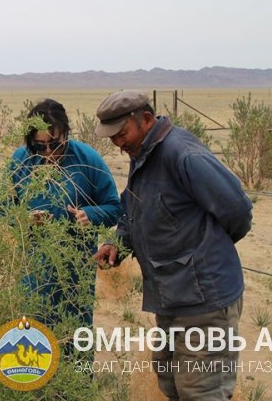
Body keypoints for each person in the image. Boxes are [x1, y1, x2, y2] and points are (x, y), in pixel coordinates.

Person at [92, 90, 253, 401]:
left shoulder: (183, 155)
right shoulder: (143, 153)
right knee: (173, 385)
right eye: (112, 138)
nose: (118, 144)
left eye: (122, 134)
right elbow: (133, 206)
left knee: (202, 391)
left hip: (205, 301)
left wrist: (207, 250)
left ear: (147, 120)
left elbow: (238, 210)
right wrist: (119, 242)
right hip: (172, 296)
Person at [7, 98, 122, 330]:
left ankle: (79, 368)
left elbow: (114, 207)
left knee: (75, 333)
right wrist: (23, 218)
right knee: (34, 336)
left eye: (55, 145)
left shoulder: (87, 160)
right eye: (39, 146)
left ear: (66, 135)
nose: (48, 153)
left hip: (76, 270)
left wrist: (91, 214)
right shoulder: (20, 162)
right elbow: (4, 207)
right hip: (33, 269)